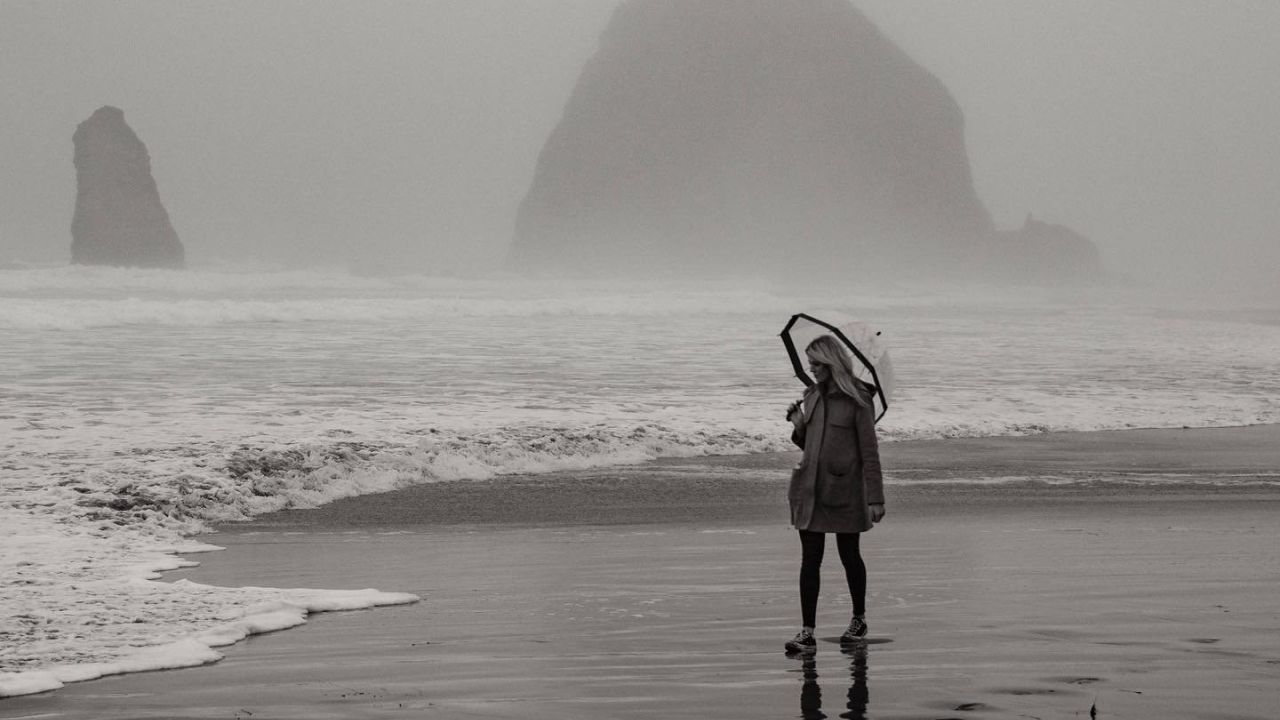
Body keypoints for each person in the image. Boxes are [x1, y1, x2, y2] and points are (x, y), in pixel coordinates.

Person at [783, 334, 885, 653]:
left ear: (831, 363)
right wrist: (799, 425)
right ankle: (807, 632)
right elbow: (810, 445)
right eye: (809, 363)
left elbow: (869, 451)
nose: (811, 369)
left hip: (846, 489)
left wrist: (875, 498)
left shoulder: (858, 399)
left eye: (816, 363)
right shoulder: (811, 396)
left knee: (849, 555)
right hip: (810, 490)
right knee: (809, 560)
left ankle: (859, 619)